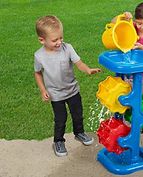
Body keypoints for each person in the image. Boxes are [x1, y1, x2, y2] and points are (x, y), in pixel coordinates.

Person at [34, 15, 101, 157]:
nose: (59, 42)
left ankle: (79, 133)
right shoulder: (39, 56)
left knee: (77, 115)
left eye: (60, 38)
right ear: (42, 40)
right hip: (56, 94)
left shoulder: (67, 48)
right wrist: (42, 89)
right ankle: (58, 141)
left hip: (72, 90)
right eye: (54, 40)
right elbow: (38, 73)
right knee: (60, 119)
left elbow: (79, 63)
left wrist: (88, 69)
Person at [113, 2, 143, 136]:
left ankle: (142, 126)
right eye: (139, 23)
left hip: (142, 76)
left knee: (140, 103)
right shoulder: (131, 27)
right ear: (135, 21)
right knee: (121, 101)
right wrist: (123, 17)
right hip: (126, 74)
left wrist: (140, 46)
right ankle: (119, 127)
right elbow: (113, 24)